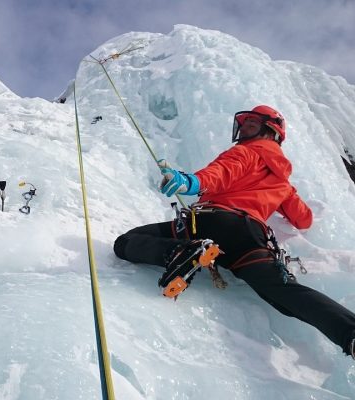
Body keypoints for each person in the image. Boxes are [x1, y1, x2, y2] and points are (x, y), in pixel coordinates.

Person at [114, 104, 355, 358]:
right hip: (248, 238)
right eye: (245, 123)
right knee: (284, 292)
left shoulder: (246, 152)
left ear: (270, 131)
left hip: (210, 222)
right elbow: (303, 219)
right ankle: (350, 333)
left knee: (126, 242)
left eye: (252, 124)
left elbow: (221, 173)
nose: (244, 128)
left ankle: (182, 251)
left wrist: (190, 182)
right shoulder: (283, 181)